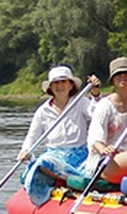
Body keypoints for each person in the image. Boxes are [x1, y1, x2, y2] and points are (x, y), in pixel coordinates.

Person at [18, 65, 101, 206]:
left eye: (63, 82)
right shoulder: (43, 111)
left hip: (80, 154)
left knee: (99, 164)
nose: (60, 86)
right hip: (55, 156)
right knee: (41, 163)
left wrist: (95, 94)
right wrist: (25, 150)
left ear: (70, 85)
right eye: (56, 83)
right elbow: (32, 136)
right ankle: (61, 181)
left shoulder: (80, 102)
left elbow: (97, 114)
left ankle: (67, 180)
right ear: (50, 87)